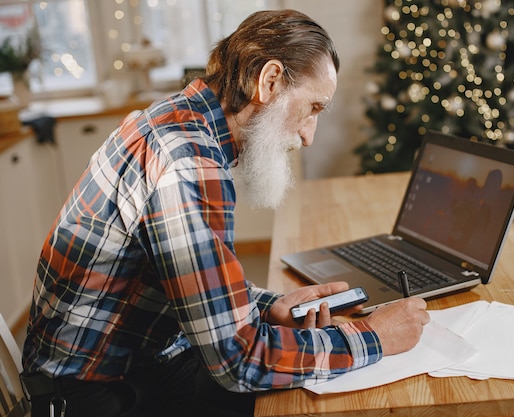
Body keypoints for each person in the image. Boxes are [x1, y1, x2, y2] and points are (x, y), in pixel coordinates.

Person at [20, 9, 430, 417]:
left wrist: (269, 306)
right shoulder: (186, 162)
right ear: (268, 81)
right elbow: (239, 360)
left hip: (130, 366)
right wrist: (374, 336)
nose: (308, 136)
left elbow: (185, 280)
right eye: (313, 108)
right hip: (96, 397)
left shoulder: (178, 120)